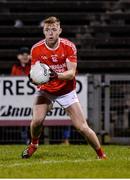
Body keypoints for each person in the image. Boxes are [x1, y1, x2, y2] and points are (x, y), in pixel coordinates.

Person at [21, 16, 107, 159]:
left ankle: (101, 155)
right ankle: (33, 145)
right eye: (47, 30)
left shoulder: (68, 46)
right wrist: (33, 79)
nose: (50, 32)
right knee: (36, 121)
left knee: (82, 127)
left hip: (66, 91)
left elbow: (71, 74)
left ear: (59, 31)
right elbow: (34, 73)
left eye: (54, 29)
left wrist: (55, 75)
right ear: (43, 32)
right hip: (46, 90)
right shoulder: (36, 49)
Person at [11, 47, 31, 144]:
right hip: (20, 100)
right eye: (23, 54)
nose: (25, 56)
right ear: (18, 56)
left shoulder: (33, 66)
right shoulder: (15, 67)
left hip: (32, 98)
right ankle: (25, 140)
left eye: (27, 54)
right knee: (23, 120)